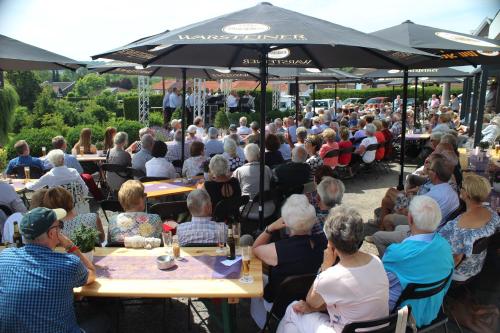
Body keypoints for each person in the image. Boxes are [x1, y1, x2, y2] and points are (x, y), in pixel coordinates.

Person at [277, 205, 389, 333]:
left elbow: (311, 302)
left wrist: (325, 267)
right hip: (379, 329)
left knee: (293, 309)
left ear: (330, 243)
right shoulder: (376, 261)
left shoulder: (332, 276)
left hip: (343, 329)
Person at [0, 207, 96, 332]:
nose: (60, 229)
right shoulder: (68, 264)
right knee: (105, 317)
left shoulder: (5, 257)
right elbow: (91, 273)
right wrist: (70, 246)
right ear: (51, 233)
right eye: (59, 225)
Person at [251, 195, 327, 329]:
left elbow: (255, 249)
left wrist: (270, 228)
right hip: (308, 301)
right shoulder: (324, 244)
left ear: (285, 221)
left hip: (280, 304)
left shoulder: (278, 250)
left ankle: (264, 325)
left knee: (255, 282)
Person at [383, 196, 453, 328]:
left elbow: (380, 286)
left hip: (402, 321)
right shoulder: (445, 246)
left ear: (409, 219)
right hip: (432, 311)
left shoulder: (396, 254)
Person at [439, 174, 500, 282]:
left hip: (459, 272)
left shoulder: (456, 227)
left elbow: (453, 258)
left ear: (467, 194)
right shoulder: (493, 214)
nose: (459, 189)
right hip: (476, 266)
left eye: (461, 187)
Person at [41, 186, 105, 243]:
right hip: (92, 255)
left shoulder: (47, 227)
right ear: (71, 200)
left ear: (48, 206)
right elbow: (102, 240)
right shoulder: (93, 217)